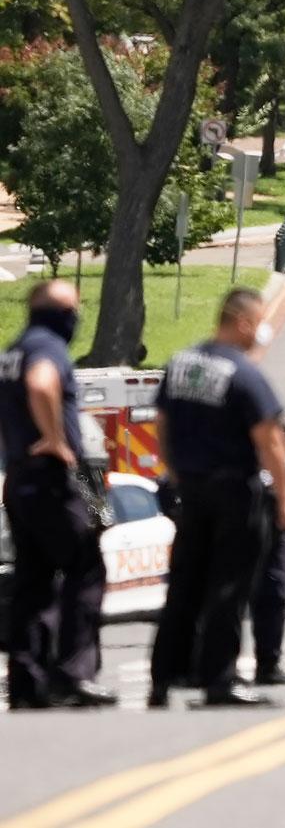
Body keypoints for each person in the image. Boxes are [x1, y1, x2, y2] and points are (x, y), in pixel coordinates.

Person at [148, 288, 285, 708]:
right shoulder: (242, 373)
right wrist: (284, 497)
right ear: (244, 322)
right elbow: (269, 440)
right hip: (234, 490)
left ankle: (163, 678)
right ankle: (219, 680)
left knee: (184, 587)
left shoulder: (180, 364)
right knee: (229, 588)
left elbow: (162, 421)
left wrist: (177, 471)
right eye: (261, 320)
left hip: (192, 491)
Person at [0, 280, 116, 709]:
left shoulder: (12, 350)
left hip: (18, 477)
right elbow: (42, 384)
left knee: (33, 580)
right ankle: (74, 673)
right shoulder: (47, 348)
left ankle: (28, 683)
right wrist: (54, 438)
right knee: (85, 564)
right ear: (60, 314)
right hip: (48, 477)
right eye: (74, 310)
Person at [250, 418, 285, 686]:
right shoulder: (246, 465)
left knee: (274, 595)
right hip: (243, 536)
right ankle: (218, 670)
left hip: (274, 541)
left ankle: (268, 665)